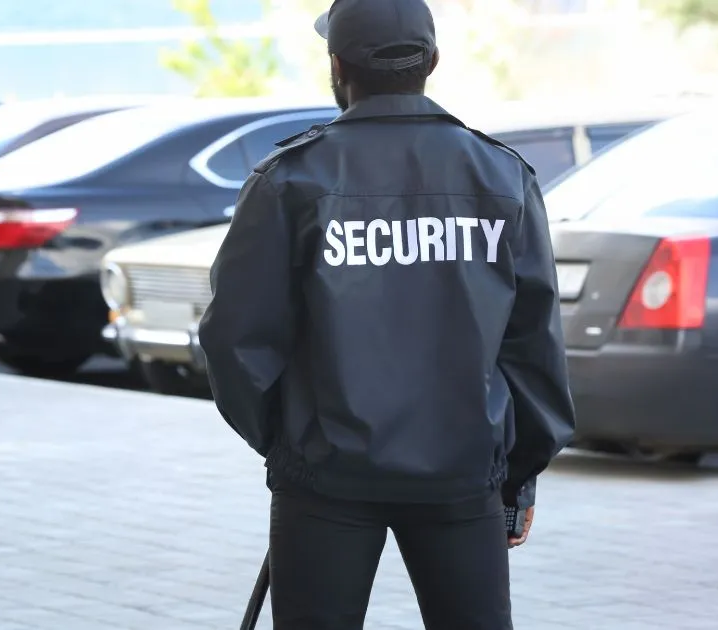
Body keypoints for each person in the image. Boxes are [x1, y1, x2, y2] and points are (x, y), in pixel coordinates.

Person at [197, 0, 575, 627]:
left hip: (325, 478)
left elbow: (235, 340)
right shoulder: (501, 176)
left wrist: (293, 447)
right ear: (433, 61)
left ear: (337, 66)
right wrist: (518, 474)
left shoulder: (290, 180)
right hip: (463, 477)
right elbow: (533, 344)